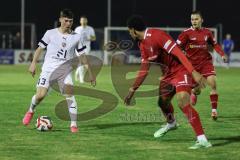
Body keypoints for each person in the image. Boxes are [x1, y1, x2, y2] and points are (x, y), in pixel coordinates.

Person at [124, 15, 212, 149]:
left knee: (183, 102)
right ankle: (171, 123)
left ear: (133, 30)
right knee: (162, 102)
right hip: (167, 75)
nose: (129, 33)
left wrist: (193, 72)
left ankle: (202, 139)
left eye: (129, 31)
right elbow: (143, 70)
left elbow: (178, 53)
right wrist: (132, 90)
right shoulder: (142, 45)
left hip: (180, 70)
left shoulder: (157, 35)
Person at [22, 9, 96, 133]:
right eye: (66, 20)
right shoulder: (50, 33)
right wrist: (33, 63)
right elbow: (39, 49)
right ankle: (31, 110)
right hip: (48, 69)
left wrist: (91, 73)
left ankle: (73, 125)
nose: (68, 23)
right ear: (61, 19)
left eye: (71, 21)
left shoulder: (76, 37)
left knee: (69, 95)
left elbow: (83, 56)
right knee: (40, 95)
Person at [176, 11, 227, 120]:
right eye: (192, 19)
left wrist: (222, 54)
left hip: (206, 62)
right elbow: (176, 48)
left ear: (201, 20)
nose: (194, 21)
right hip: (193, 66)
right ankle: (195, 92)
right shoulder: (186, 33)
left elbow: (214, 44)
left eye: (196, 19)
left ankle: (214, 111)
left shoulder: (207, 32)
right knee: (197, 90)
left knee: (212, 83)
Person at [74, 16, 96, 83]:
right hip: (79, 47)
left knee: (82, 62)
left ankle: (77, 73)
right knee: (83, 62)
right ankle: (81, 79)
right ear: (80, 21)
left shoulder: (90, 29)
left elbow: (94, 38)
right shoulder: (77, 29)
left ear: (86, 21)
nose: (83, 22)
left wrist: (89, 38)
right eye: (82, 20)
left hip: (87, 48)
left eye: (84, 20)